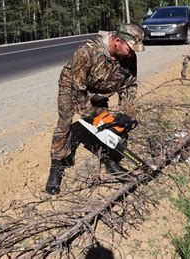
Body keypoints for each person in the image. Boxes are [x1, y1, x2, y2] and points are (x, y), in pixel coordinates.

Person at [45, 23, 145, 194]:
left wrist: (124, 113)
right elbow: (78, 87)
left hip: (99, 90)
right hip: (73, 86)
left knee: (109, 124)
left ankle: (109, 160)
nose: (132, 53)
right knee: (65, 122)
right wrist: (89, 114)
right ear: (117, 41)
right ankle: (57, 164)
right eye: (130, 48)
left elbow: (129, 85)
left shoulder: (128, 57)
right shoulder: (88, 51)